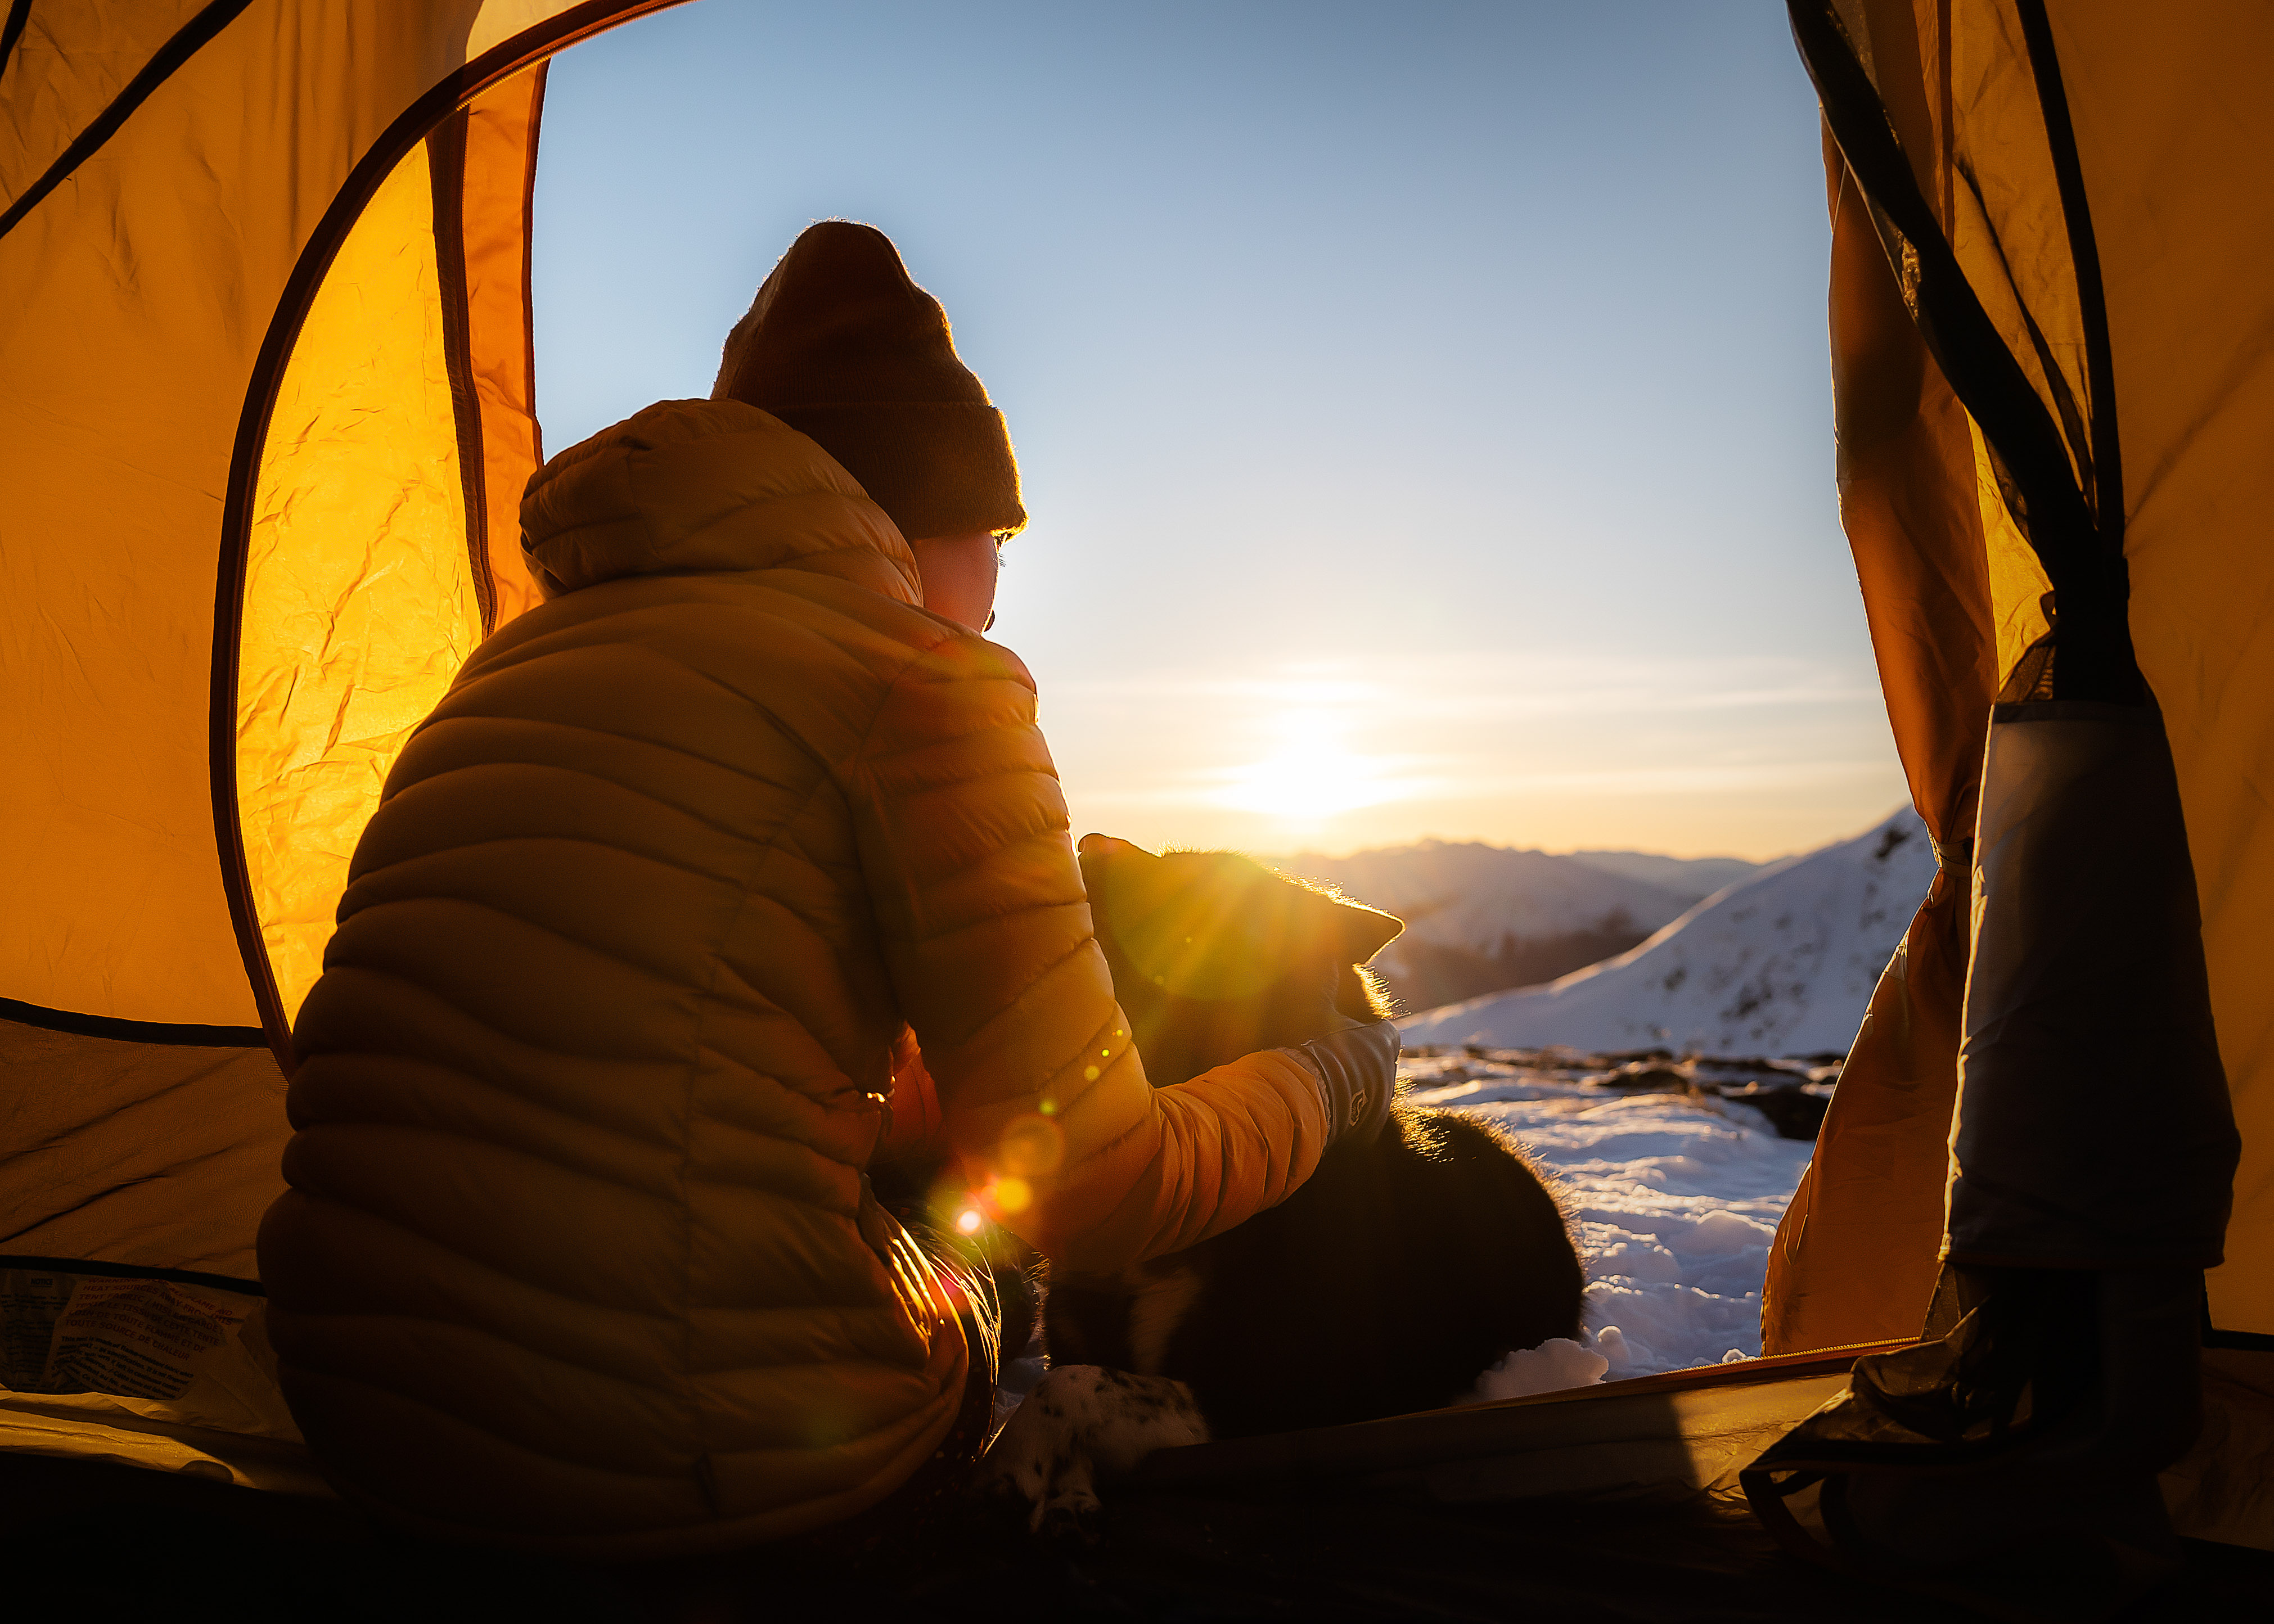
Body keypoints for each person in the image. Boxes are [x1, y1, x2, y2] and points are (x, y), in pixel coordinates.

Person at [256, 222, 1399, 1558]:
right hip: (648, 1466)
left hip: (354, 1408)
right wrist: (1337, 1073)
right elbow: (1097, 1201)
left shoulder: (509, 664)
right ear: (932, 521)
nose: (998, 591)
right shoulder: (922, 682)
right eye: (998, 543)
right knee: (987, 1277)